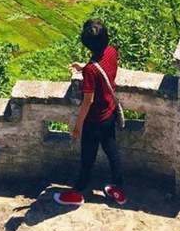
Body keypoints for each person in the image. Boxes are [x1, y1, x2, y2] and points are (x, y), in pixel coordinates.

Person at [53, 19, 126, 207]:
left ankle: (77, 193)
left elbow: (88, 101)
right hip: (109, 114)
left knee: (87, 160)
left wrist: (78, 126)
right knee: (113, 153)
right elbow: (104, 68)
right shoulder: (112, 51)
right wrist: (85, 67)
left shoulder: (91, 71)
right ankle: (117, 189)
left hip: (94, 121)